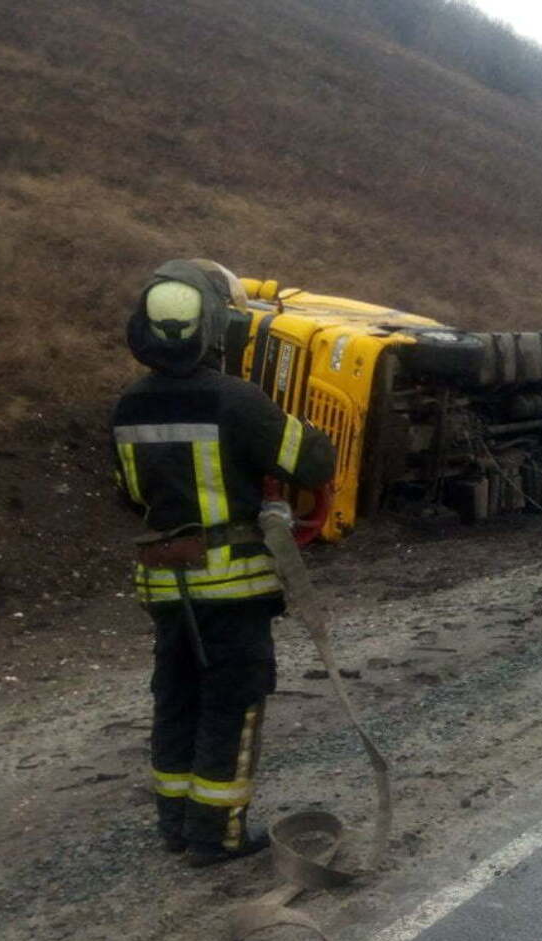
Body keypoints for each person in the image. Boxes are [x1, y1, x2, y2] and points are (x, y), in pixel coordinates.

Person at [110, 259, 336, 864]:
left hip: (165, 584)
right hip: (233, 589)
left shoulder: (127, 406)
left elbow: (132, 494)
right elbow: (312, 463)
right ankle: (218, 836)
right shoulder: (237, 400)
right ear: (217, 327)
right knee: (231, 702)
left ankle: (177, 826)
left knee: (176, 697)